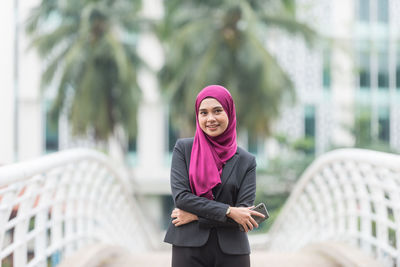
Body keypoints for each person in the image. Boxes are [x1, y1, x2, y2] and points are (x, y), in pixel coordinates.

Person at [164, 85, 264, 267]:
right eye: (203, 113)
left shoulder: (246, 161)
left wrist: (196, 216)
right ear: (197, 116)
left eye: (217, 111)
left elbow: (244, 216)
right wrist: (229, 211)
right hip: (188, 247)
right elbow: (182, 199)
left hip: (232, 251)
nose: (210, 119)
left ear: (230, 113)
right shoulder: (184, 149)